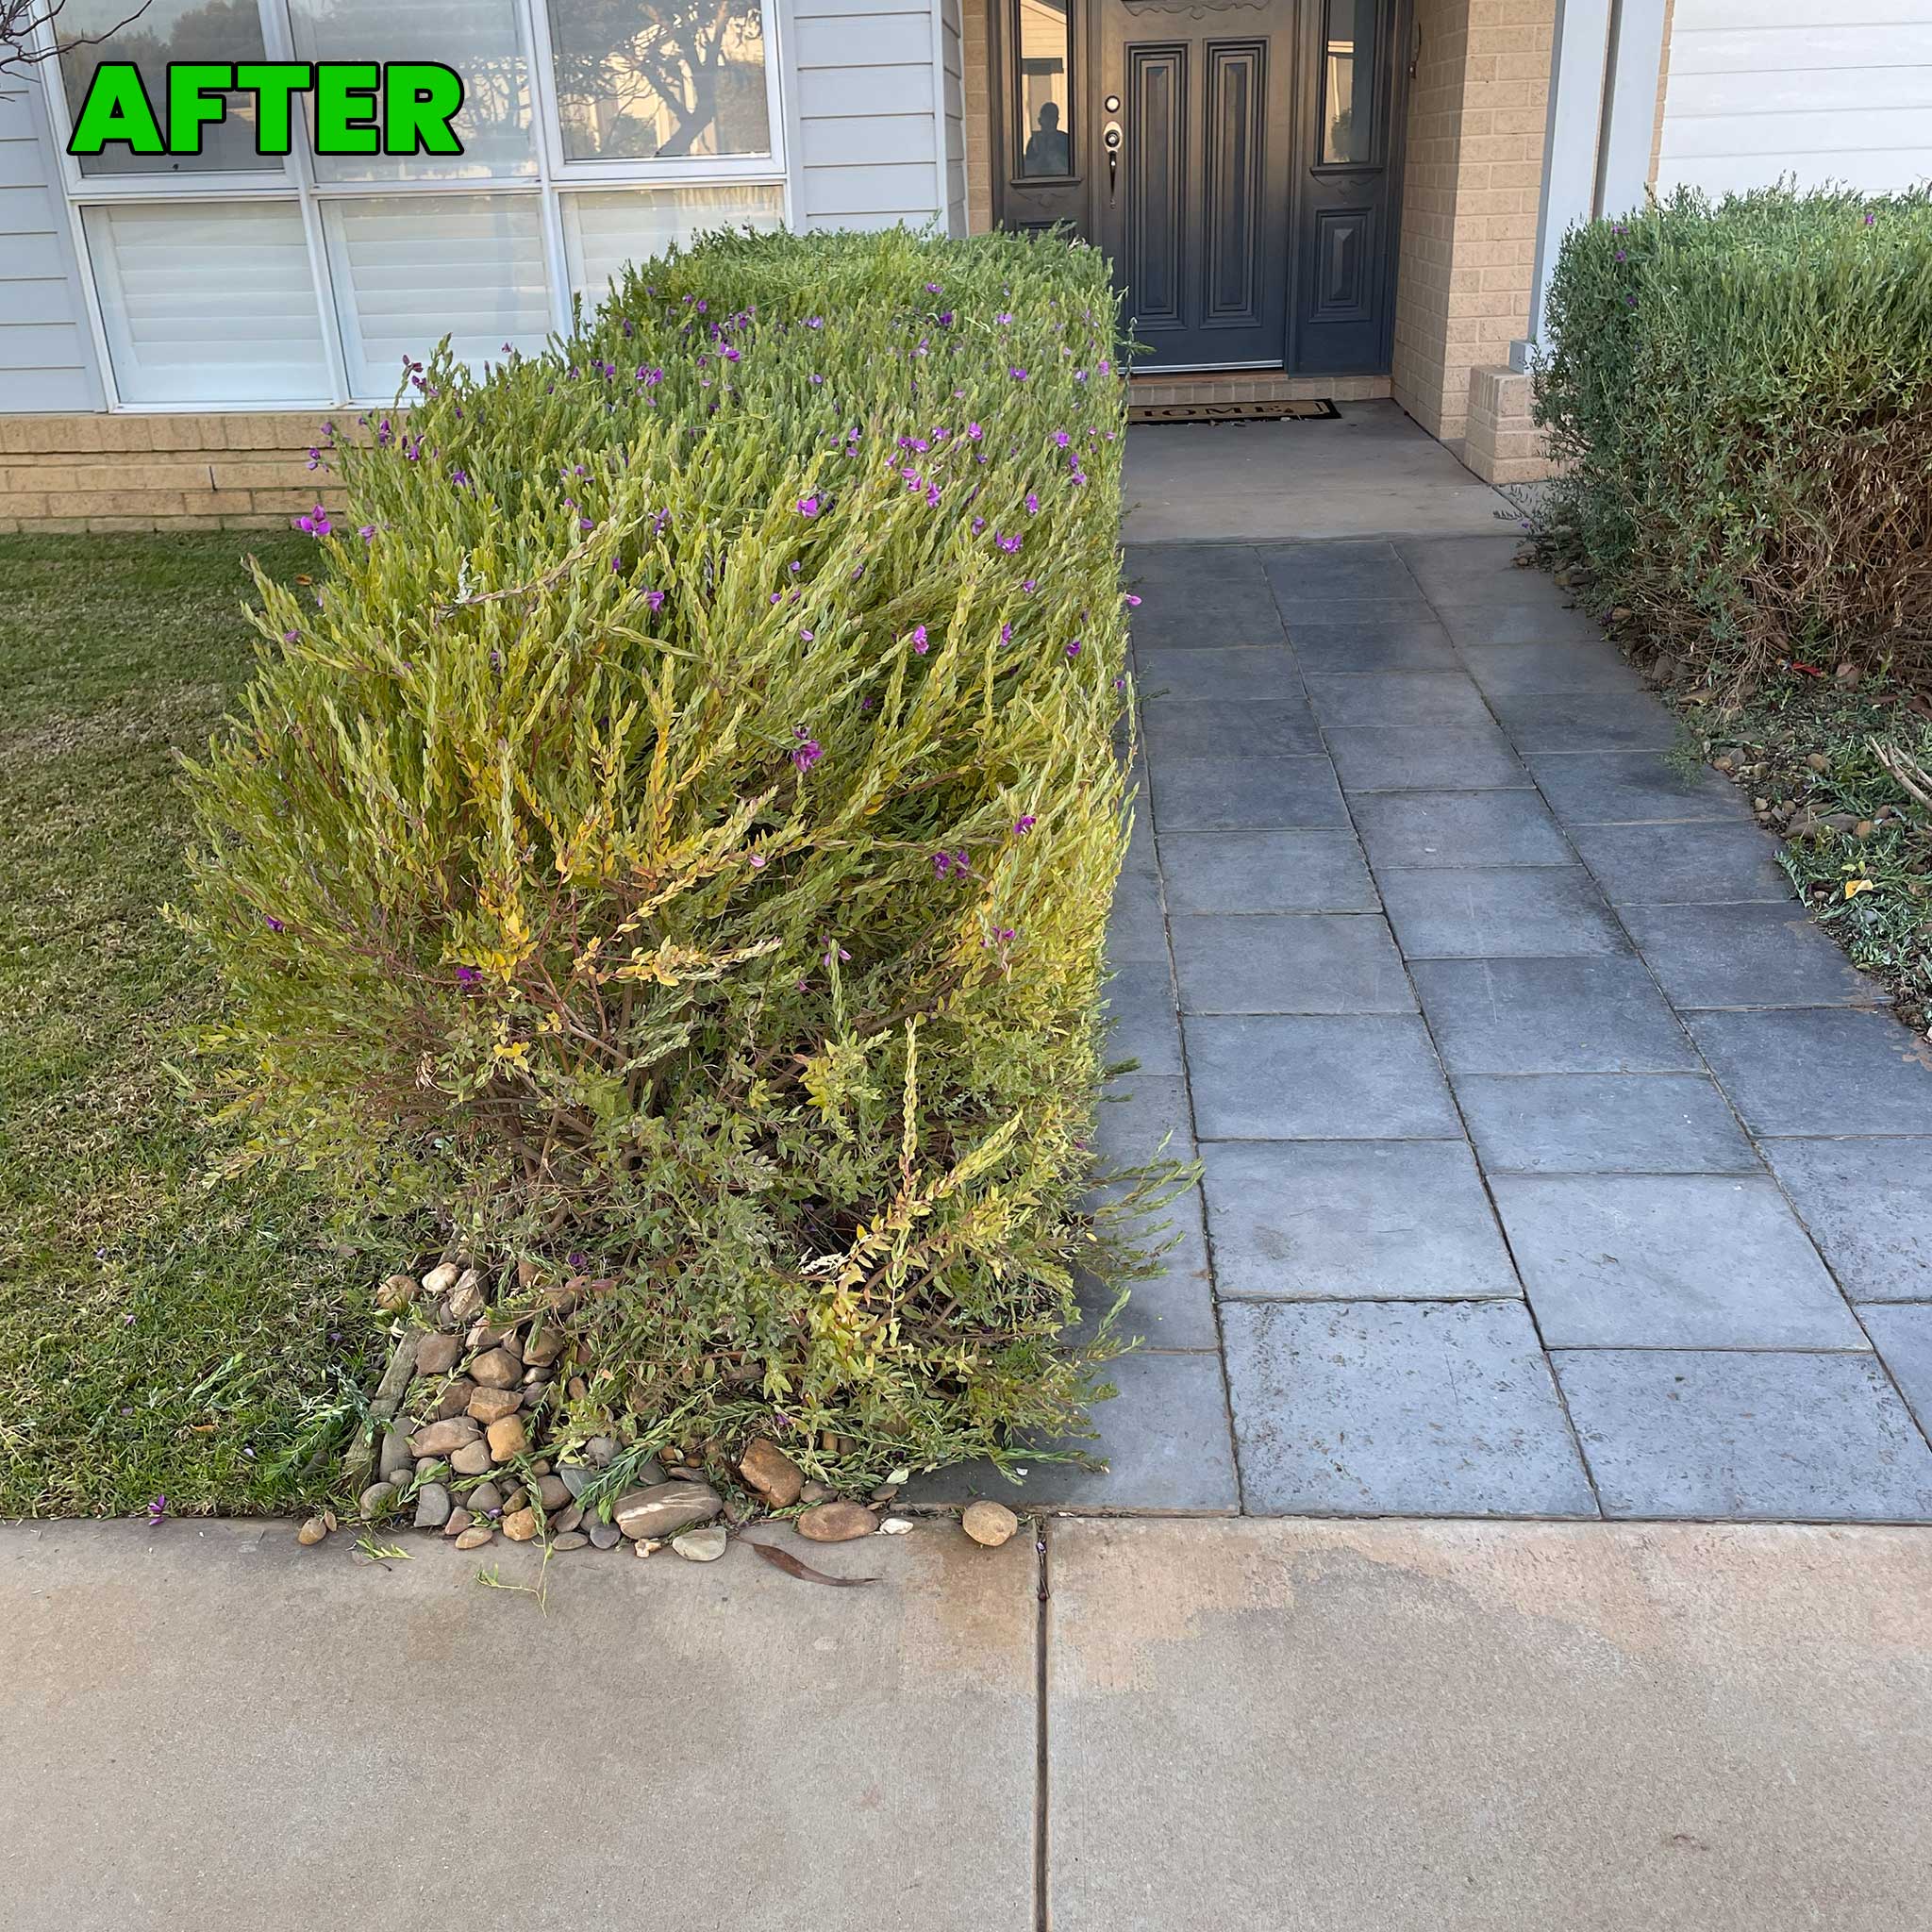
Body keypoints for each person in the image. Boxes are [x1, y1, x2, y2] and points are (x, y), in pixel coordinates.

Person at [1023, 100, 1071, 176]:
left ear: (1057, 120)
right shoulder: (1033, 142)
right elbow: (1029, 168)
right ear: (1040, 120)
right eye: (1047, 117)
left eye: (1053, 117)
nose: (1050, 121)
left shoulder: (1065, 139)